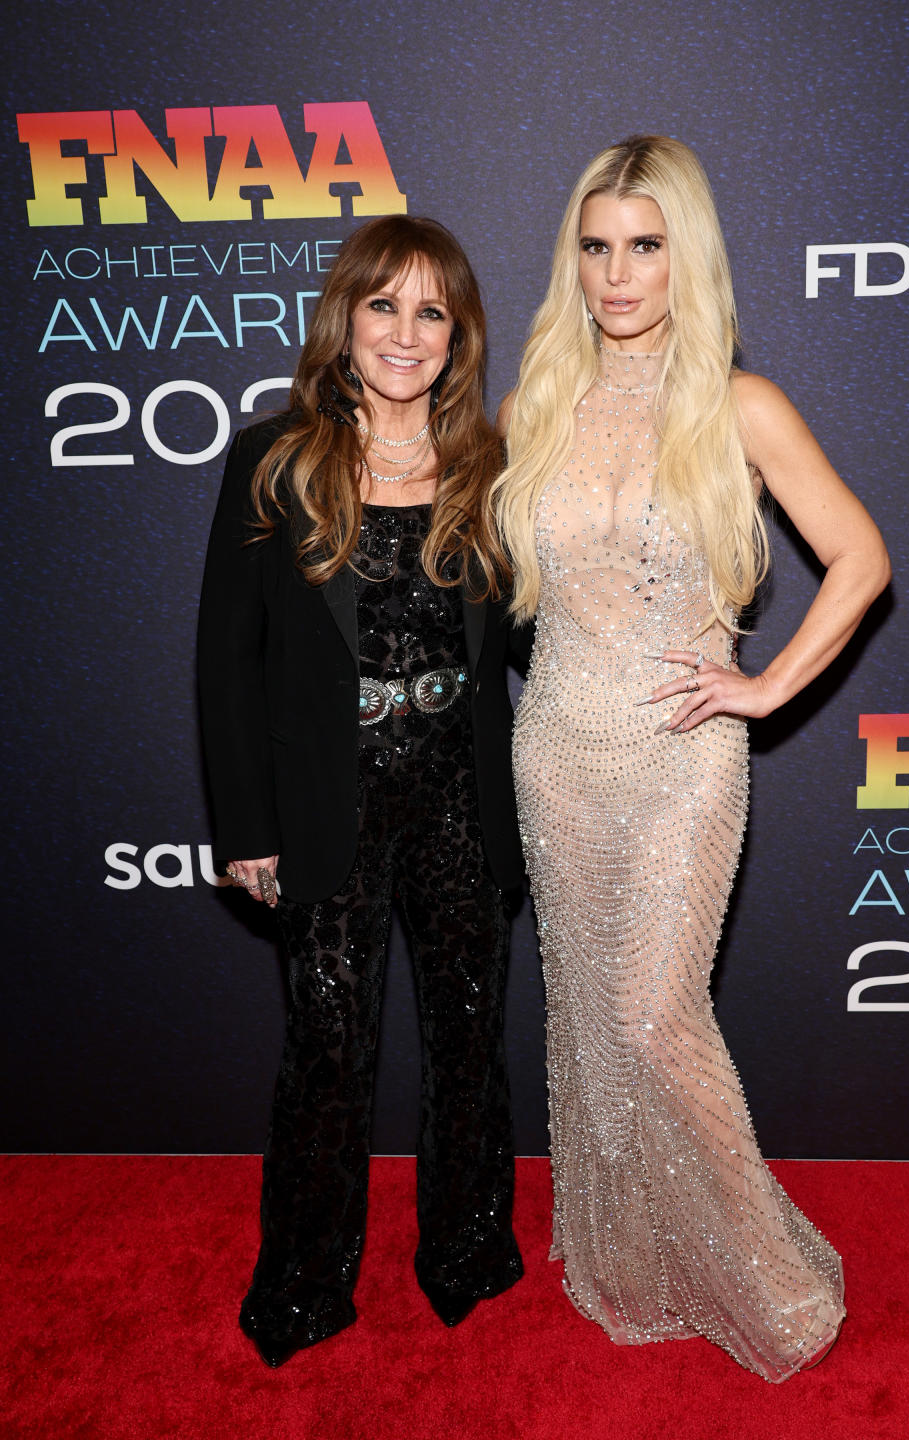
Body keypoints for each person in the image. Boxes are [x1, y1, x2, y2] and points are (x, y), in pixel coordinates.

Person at [492, 135, 890, 1382]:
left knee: (653, 1016)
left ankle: (763, 1276)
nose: (618, 275)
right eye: (597, 247)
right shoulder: (535, 405)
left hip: (680, 756)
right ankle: (631, 1258)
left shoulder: (738, 402)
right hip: (556, 748)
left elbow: (863, 559)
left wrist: (766, 688)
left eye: (646, 246)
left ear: (688, 255)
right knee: (589, 1023)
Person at [198, 215, 525, 1367]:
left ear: (457, 335)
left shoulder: (492, 467)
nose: (405, 331)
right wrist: (244, 823)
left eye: (430, 310)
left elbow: (547, 623)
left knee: (470, 1036)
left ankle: (471, 1248)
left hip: (461, 796)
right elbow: (224, 660)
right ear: (346, 319)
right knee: (329, 1046)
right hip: (328, 799)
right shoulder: (274, 457)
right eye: (384, 304)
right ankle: (303, 1280)